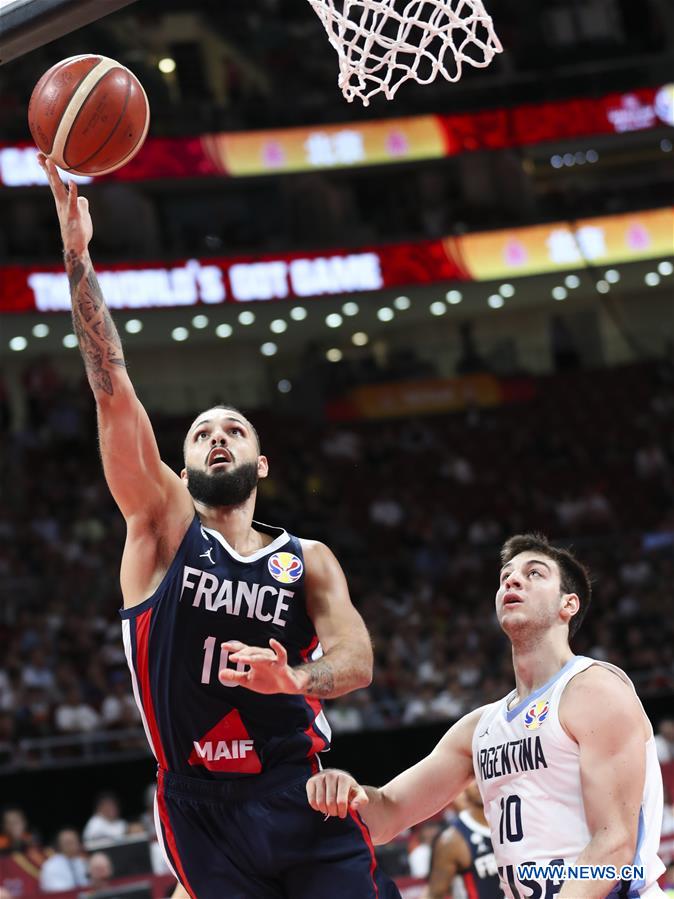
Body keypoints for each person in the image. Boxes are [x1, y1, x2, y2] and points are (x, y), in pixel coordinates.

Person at [39, 155, 400, 899]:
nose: (217, 437)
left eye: (233, 429)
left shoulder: (309, 558)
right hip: (201, 805)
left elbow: (358, 659)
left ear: (261, 462)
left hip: (300, 789)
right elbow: (113, 394)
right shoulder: (162, 525)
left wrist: (294, 677)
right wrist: (78, 257)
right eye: (202, 431)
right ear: (182, 462)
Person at [307, 533, 667, 898]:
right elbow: (386, 814)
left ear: (568, 604)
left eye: (535, 574)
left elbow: (615, 844)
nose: (512, 579)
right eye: (506, 575)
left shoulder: (593, 690)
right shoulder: (479, 729)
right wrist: (344, 791)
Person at [423, 782, 502, 899]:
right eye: (472, 778)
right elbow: (433, 894)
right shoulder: (451, 840)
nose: (477, 783)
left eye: (480, 774)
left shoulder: (518, 821)